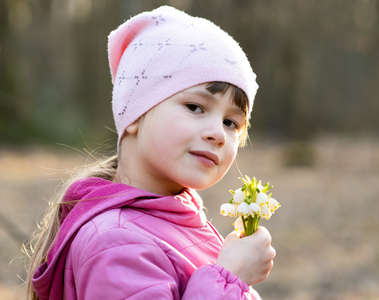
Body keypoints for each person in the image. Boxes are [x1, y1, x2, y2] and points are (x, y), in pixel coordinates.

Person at [26, 5, 275, 300]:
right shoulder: (115, 243)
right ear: (135, 115)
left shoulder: (179, 220)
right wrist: (230, 278)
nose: (218, 134)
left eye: (231, 122)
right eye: (195, 107)